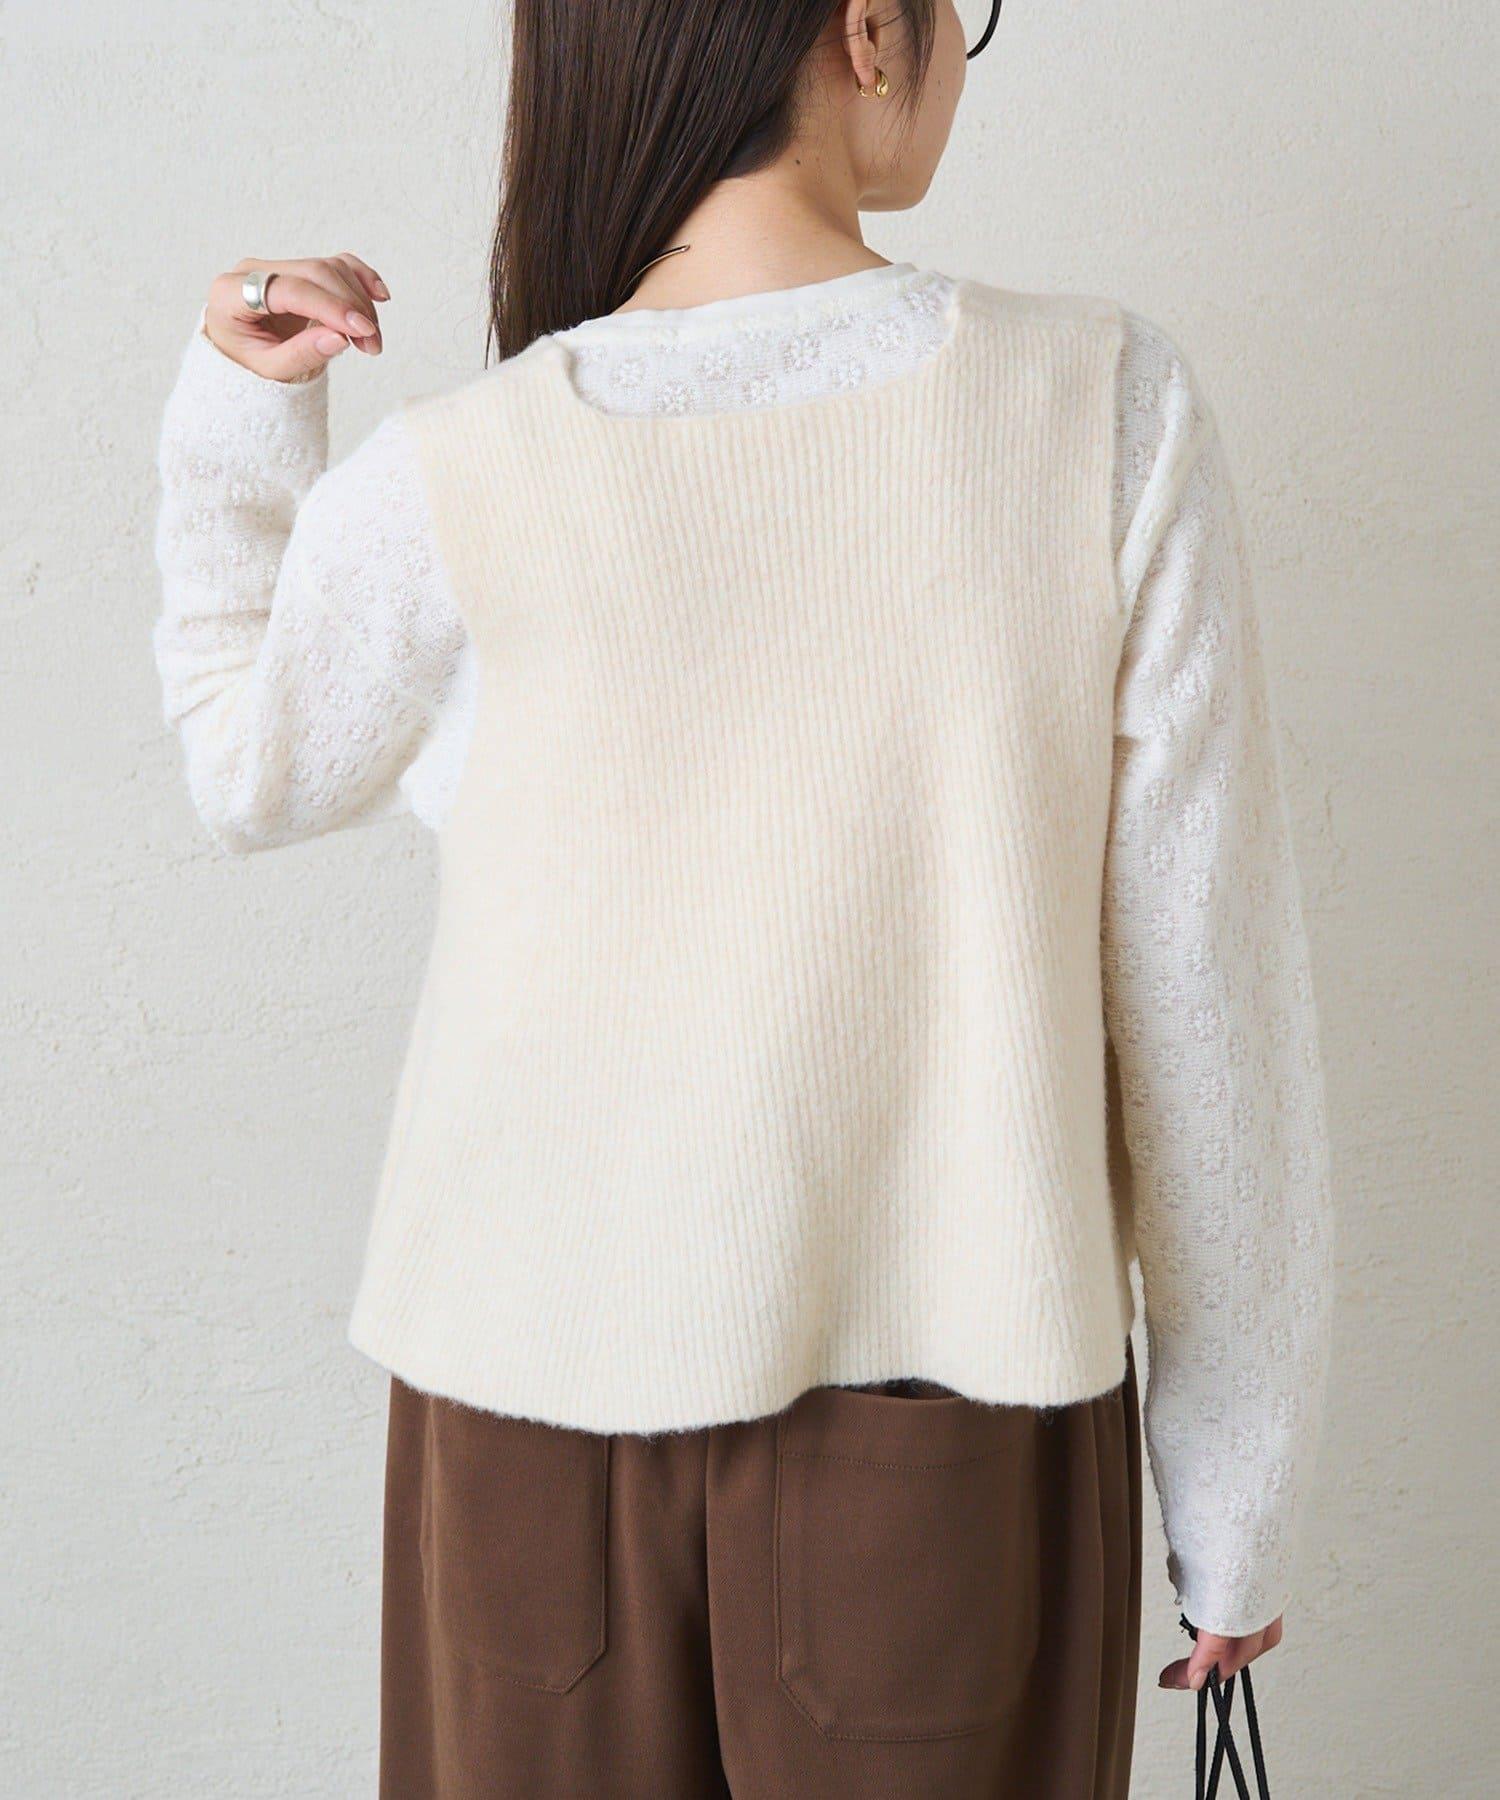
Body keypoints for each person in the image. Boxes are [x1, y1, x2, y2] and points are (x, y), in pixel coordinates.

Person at [153, 2, 1334, 1793]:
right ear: (868, 31)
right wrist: (1235, 1504)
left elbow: (248, 767)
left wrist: (248, 401)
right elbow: (1202, 1001)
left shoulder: (465, 461)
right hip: (950, 1424)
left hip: (518, 1432)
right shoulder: (1098, 404)